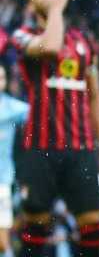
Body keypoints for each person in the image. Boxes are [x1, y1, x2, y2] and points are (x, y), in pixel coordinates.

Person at [8, 0, 99, 257]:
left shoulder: (84, 42)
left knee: (92, 225)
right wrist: (56, 9)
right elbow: (51, 47)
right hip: (39, 148)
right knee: (36, 227)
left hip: (81, 148)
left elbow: (95, 98)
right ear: (31, 4)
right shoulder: (22, 36)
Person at [0, 64, 29, 256]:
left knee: (2, 242)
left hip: (2, 182)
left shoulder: (13, 108)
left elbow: (38, 114)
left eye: (2, 77)